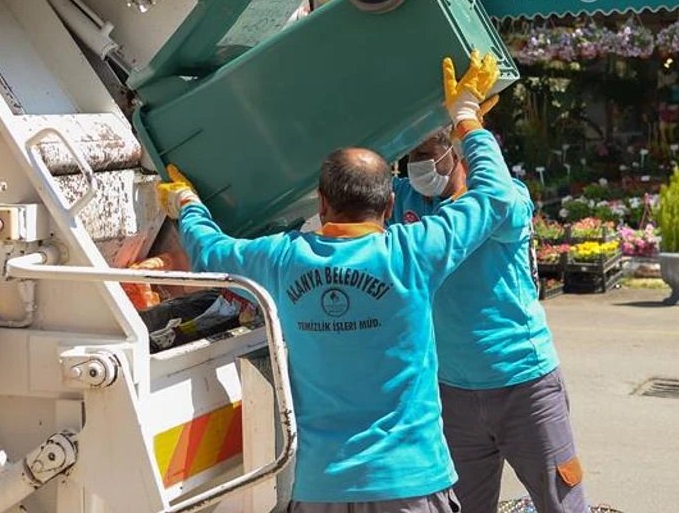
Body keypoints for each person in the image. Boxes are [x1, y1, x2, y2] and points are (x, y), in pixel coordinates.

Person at [158, 51, 513, 511]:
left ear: (322, 205)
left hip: (322, 485)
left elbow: (210, 250)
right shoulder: (413, 252)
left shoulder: (282, 258)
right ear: (388, 207)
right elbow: (497, 194)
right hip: (409, 481)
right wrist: (466, 117)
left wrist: (187, 202)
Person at [389, 127, 586, 512]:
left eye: (426, 153)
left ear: (457, 154)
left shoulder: (504, 196)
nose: (418, 166)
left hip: (524, 385)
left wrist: (471, 125)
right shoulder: (405, 201)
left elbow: (500, 204)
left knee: (560, 503)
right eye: (410, 157)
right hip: (452, 391)